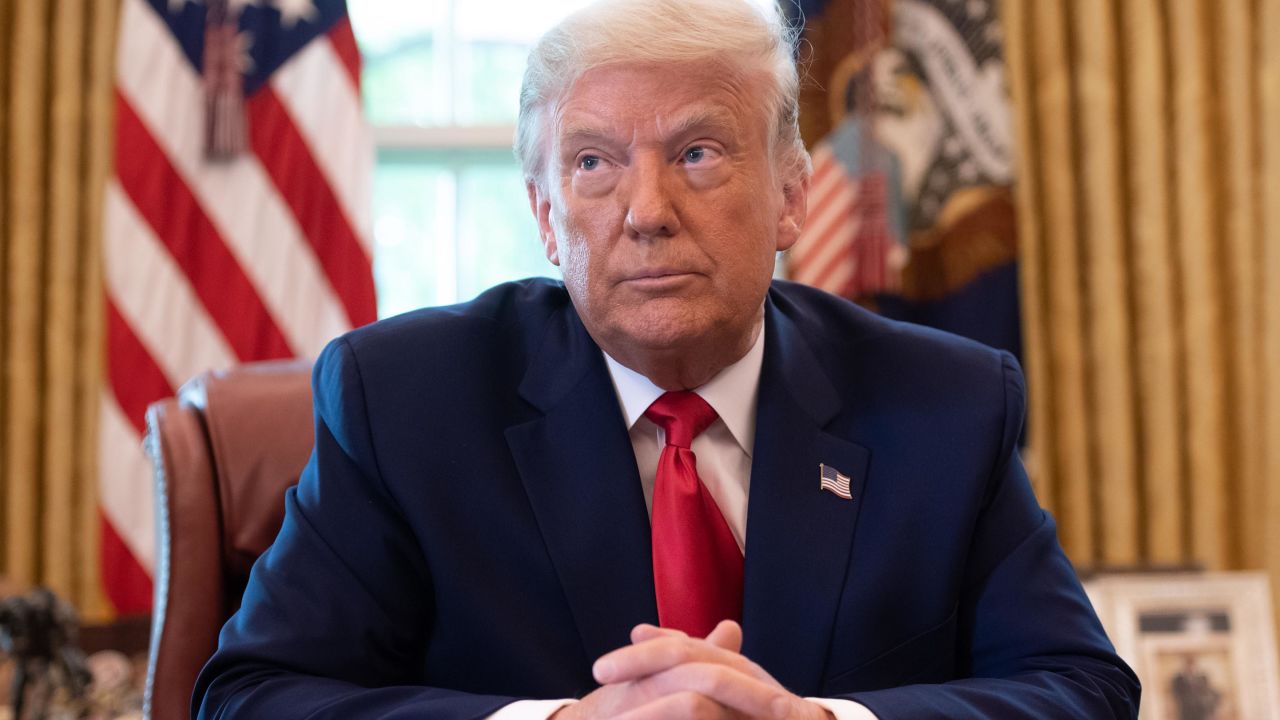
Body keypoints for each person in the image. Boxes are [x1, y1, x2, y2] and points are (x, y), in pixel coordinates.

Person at [193, 0, 1141, 717]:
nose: (645, 210)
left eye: (697, 152)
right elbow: (254, 694)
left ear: (792, 195)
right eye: (593, 163)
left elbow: (1082, 687)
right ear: (544, 216)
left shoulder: (945, 403)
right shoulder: (403, 400)